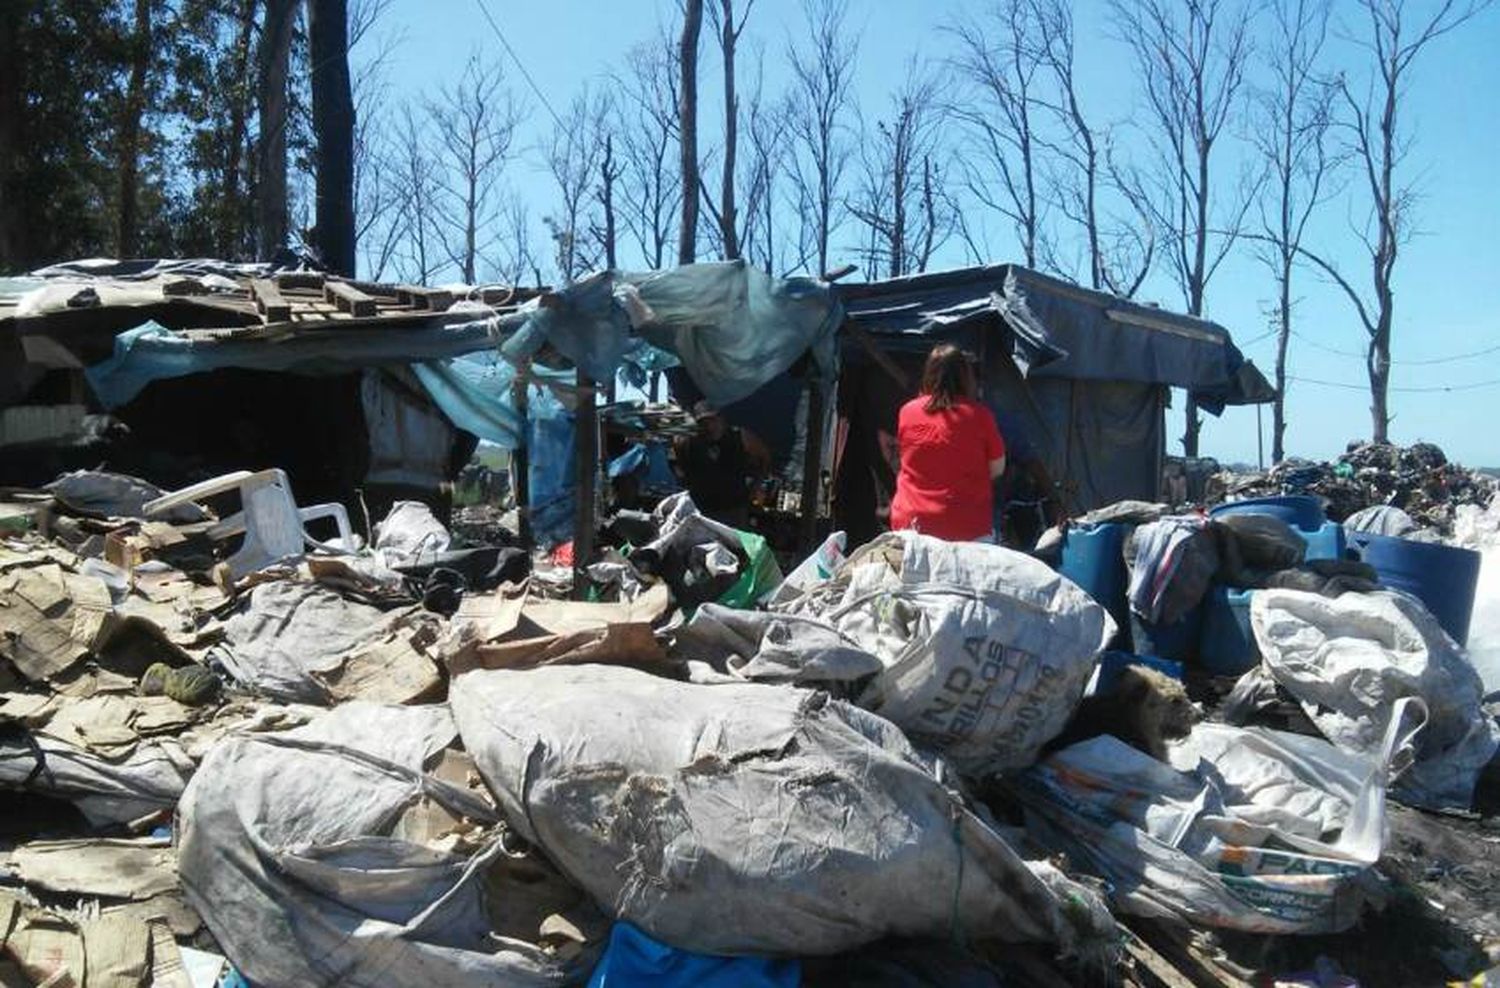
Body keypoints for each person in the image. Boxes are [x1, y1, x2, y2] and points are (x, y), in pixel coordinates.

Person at [889, 343, 1006, 542]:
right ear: (965, 377)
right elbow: (997, 469)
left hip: (912, 526)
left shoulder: (907, 412)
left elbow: (904, 460)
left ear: (928, 373)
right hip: (968, 529)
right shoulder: (980, 416)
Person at [674, 401, 771, 530]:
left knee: (733, 547)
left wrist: (756, 486)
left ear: (722, 419)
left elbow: (765, 457)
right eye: (703, 423)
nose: (710, 426)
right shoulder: (688, 442)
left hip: (734, 509)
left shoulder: (741, 436)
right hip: (701, 509)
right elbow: (681, 467)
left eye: (714, 420)